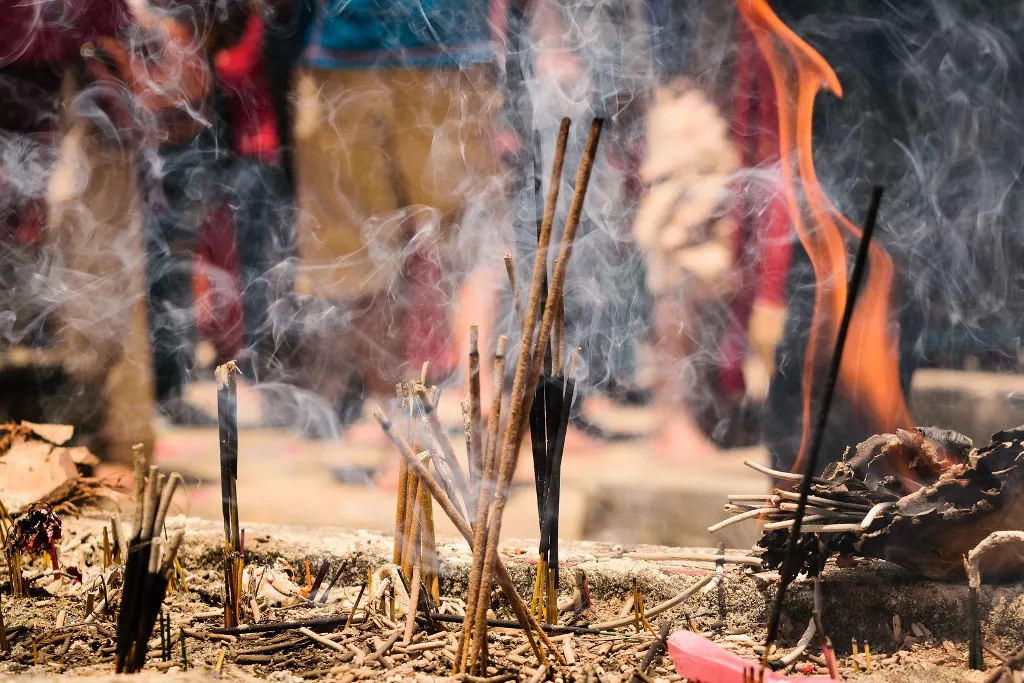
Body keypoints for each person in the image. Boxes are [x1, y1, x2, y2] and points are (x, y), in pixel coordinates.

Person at [291, 0, 502, 439]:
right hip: (343, 55)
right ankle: (401, 428)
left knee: (473, 236)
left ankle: (481, 410)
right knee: (360, 253)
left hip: (449, 50)